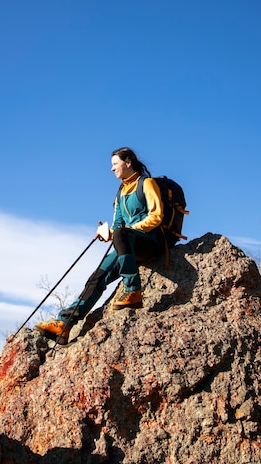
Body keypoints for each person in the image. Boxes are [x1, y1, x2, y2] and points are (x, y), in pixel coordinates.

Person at [35, 147, 165, 345]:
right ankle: (65, 324)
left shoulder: (147, 184)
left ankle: (133, 290)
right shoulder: (121, 192)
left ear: (128, 162)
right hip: (126, 244)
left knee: (122, 233)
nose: (112, 169)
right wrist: (108, 233)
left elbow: (156, 217)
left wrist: (125, 231)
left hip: (149, 243)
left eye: (115, 164)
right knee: (97, 276)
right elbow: (117, 226)